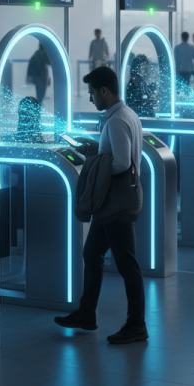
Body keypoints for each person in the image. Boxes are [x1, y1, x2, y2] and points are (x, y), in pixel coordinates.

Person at [54, 67, 147, 344]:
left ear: (104, 90)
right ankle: (86, 313)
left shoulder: (117, 121)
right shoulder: (124, 115)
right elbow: (117, 155)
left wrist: (94, 161)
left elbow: (121, 163)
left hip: (116, 203)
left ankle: (136, 325)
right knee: (91, 252)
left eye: (93, 92)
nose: (91, 98)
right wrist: (94, 148)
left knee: (127, 265)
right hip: (113, 201)